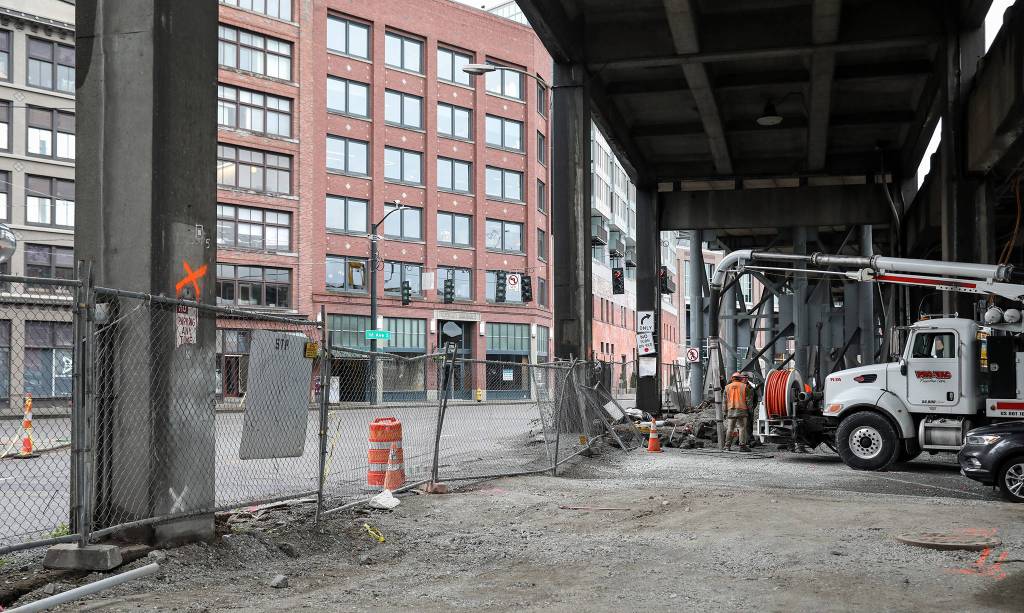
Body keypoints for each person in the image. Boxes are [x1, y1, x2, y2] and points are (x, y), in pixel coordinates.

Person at [723, 371, 756, 452]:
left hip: (731, 410)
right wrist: (750, 411)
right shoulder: (745, 386)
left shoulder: (727, 387)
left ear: (732, 378)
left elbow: (725, 402)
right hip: (742, 410)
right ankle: (742, 446)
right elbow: (749, 401)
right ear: (740, 378)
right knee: (742, 428)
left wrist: (724, 412)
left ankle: (727, 446)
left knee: (730, 428)